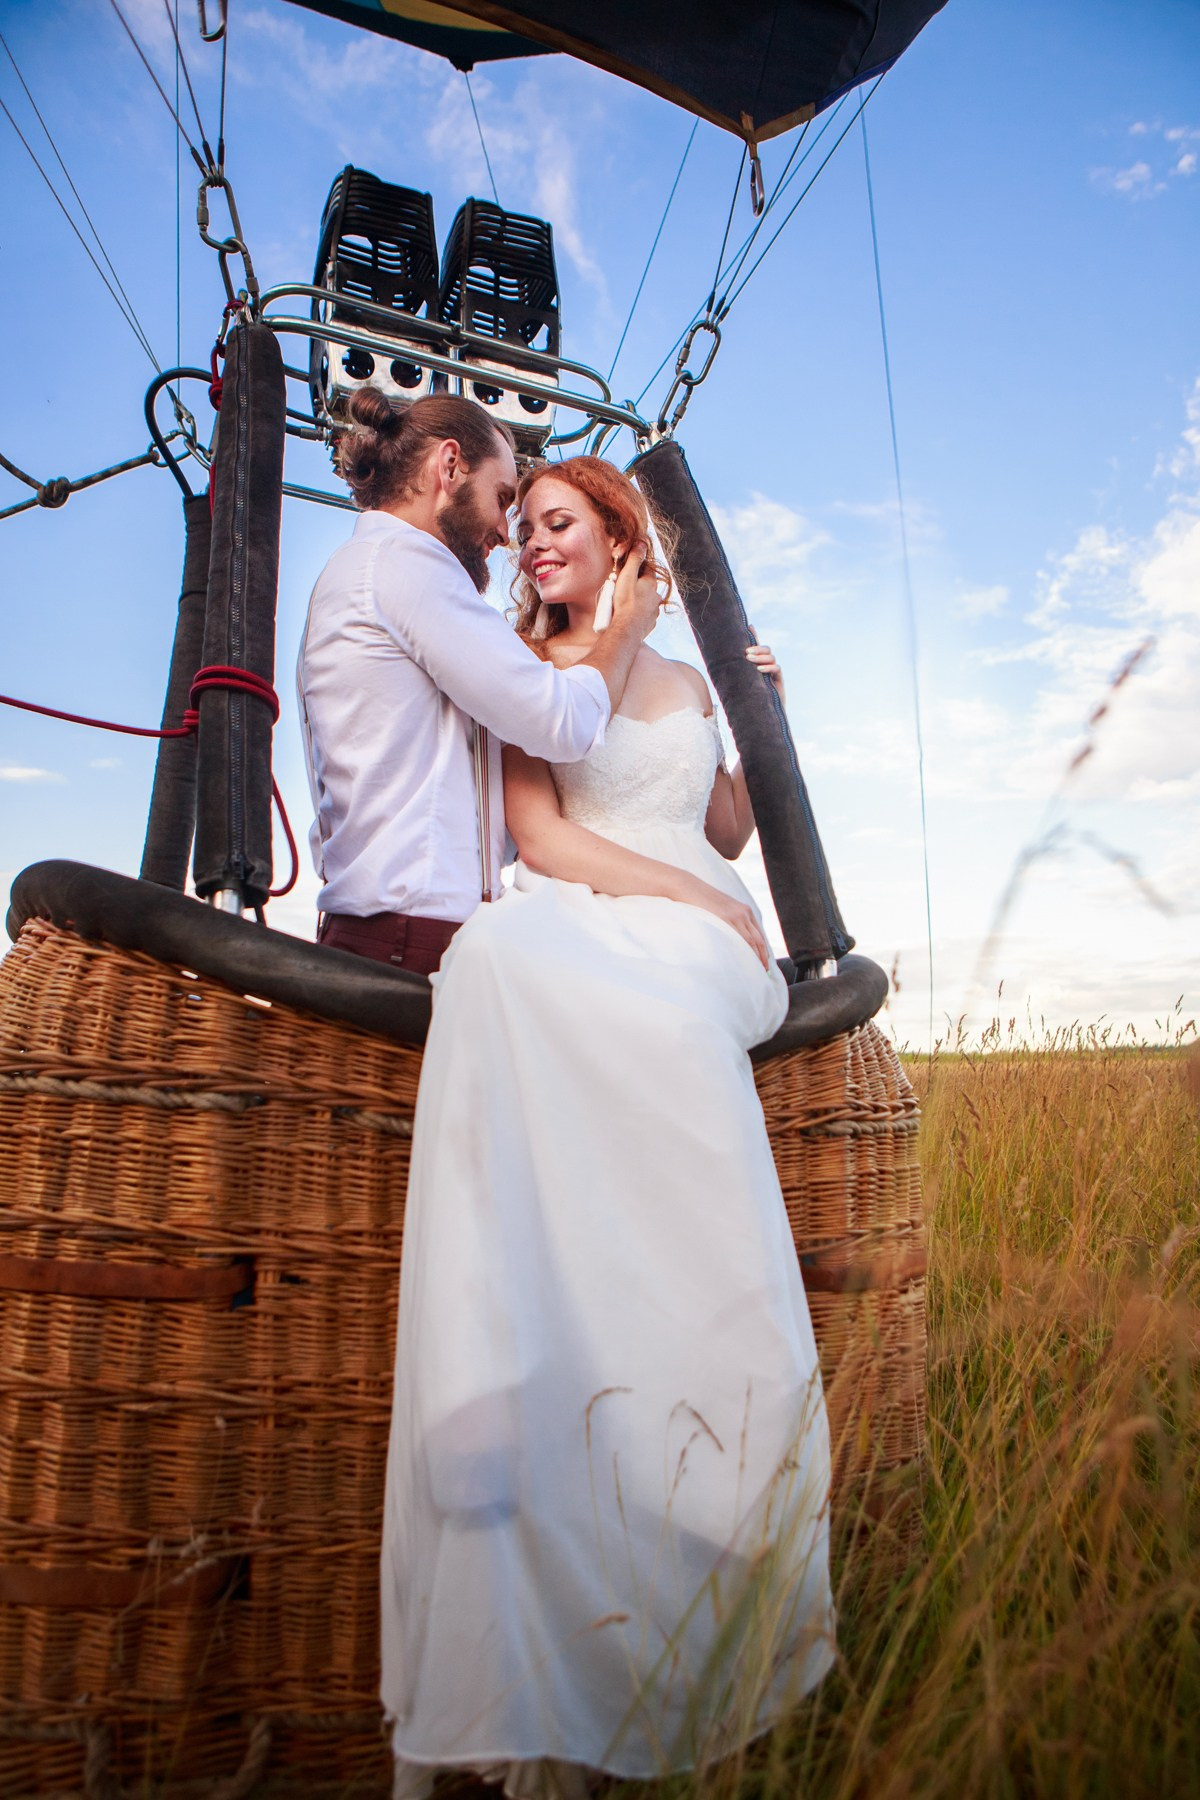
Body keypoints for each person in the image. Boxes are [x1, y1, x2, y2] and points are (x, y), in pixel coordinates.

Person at [381, 457, 836, 1799]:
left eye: (556, 524)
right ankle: (575, 1283)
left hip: (701, 929)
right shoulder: (540, 671)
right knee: (507, 952)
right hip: (625, 907)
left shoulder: (683, 683)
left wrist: (762, 722)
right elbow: (543, 838)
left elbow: (728, 833)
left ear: (618, 535)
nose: (531, 546)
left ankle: (694, 1307)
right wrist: (687, 901)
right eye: (522, 530)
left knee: (631, 993)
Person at [297, 390, 661, 975]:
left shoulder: (374, 567)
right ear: (448, 467)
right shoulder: (407, 566)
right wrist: (628, 624)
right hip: (410, 941)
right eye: (501, 499)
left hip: (398, 931)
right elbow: (563, 722)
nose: (505, 532)